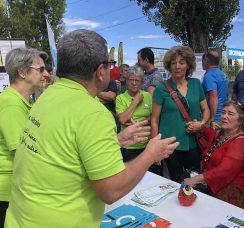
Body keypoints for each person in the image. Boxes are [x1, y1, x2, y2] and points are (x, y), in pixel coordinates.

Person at [4, 29, 179, 228]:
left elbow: (62, 150)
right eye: (109, 64)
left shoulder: (48, 95)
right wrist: (150, 153)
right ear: (100, 71)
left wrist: (116, 140)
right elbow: (111, 190)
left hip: (22, 218)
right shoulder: (92, 112)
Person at [0, 47, 49, 227]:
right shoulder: (11, 103)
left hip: (16, 187)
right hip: (7, 191)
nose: (46, 74)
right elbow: (23, 153)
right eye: (41, 69)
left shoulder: (24, 101)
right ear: (22, 72)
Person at [151, 46, 210, 183]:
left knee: (194, 181)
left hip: (193, 144)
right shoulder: (161, 88)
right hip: (169, 146)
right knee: (173, 182)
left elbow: (206, 110)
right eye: (173, 63)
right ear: (169, 66)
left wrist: (201, 124)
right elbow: (154, 120)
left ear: (188, 65)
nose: (177, 66)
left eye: (182, 62)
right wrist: (155, 149)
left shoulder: (196, 84)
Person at [184, 101, 244, 212]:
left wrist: (194, 180)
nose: (224, 116)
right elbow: (207, 131)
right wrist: (199, 126)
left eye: (230, 114)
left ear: (241, 119)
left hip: (233, 195)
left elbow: (224, 170)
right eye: (223, 112)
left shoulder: (241, 142)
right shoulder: (221, 133)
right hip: (215, 188)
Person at [116, 65, 161, 175]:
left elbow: (154, 116)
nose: (134, 83)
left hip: (146, 146)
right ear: (126, 80)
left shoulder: (148, 96)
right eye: (131, 79)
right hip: (128, 147)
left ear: (142, 82)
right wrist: (135, 101)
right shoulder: (120, 98)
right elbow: (122, 119)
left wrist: (142, 122)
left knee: (149, 177)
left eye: (137, 80)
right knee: (129, 178)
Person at [202, 51, 229, 126]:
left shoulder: (209, 76)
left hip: (215, 117)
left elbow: (213, 97)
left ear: (206, 61)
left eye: (202, 61)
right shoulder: (222, 74)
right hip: (224, 113)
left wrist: (212, 119)